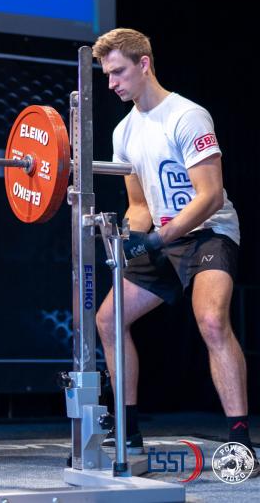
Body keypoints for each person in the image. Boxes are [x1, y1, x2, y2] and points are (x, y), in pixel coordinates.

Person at [92, 28, 257, 469]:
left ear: (144, 64)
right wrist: (127, 242)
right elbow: (139, 205)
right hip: (162, 237)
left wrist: (158, 238)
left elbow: (211, 196)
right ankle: (129, 430)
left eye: (118, 72)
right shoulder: (124, 131)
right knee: (108, 319)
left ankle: (239, 440)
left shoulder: (188, 116)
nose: (111, 83)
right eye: (107, 75)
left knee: (211, 321)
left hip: (209, 232)